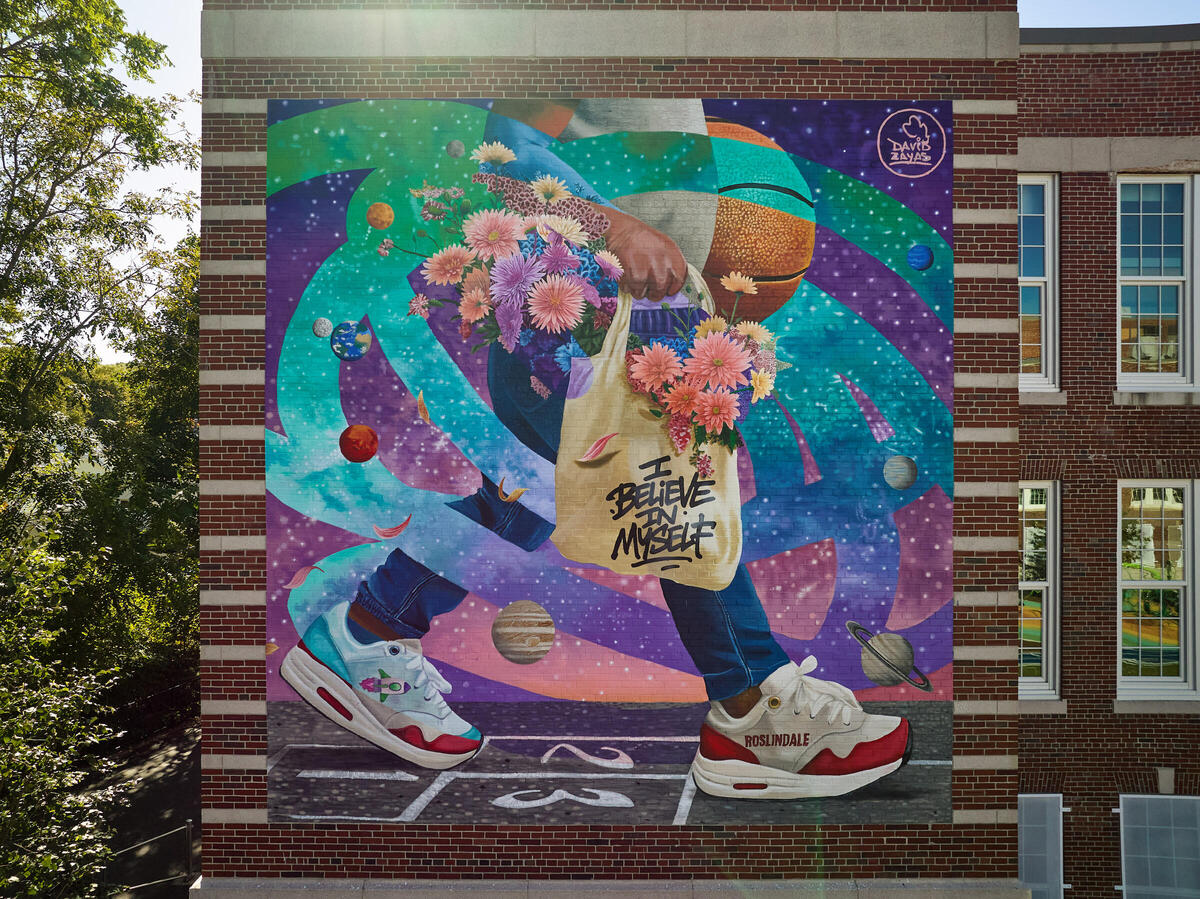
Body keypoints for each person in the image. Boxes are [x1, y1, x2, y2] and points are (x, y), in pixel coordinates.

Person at [280, 100, 912, 798]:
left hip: (641, 329)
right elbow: (502, 165)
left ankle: (372, 629)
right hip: (575, 318)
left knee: (539, 494)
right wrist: (619, 228)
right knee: (676, 503)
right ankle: (753, 710)